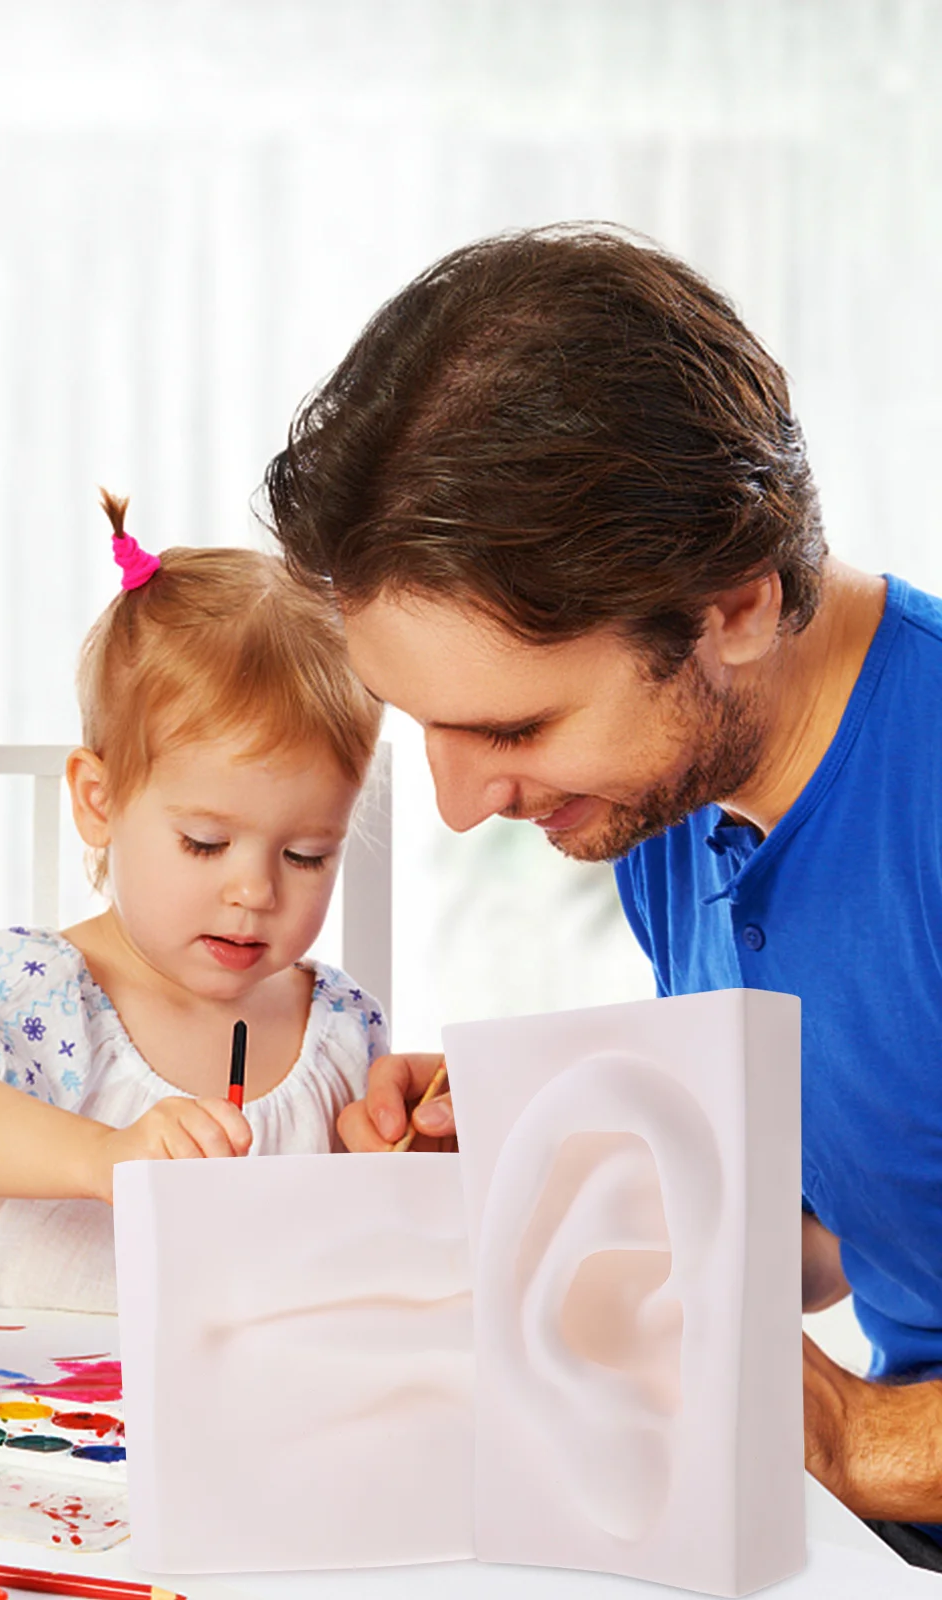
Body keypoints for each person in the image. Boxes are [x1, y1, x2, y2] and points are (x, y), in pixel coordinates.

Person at [262, 222, 942, 1565]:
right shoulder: (673, 804)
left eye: (511, 731)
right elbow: (865, 1221)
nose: (460, 804)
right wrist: (558, 1169)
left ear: (735, 604)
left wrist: (863, 1441)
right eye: (424, 726)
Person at [0, 492, 387, 1311]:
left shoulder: (338, 1035)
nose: (255, 891)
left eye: (306, 854)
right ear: (99, 799)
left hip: (225, 1419)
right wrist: (104, 1156)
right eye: (205, 843)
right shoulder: (42, 988)